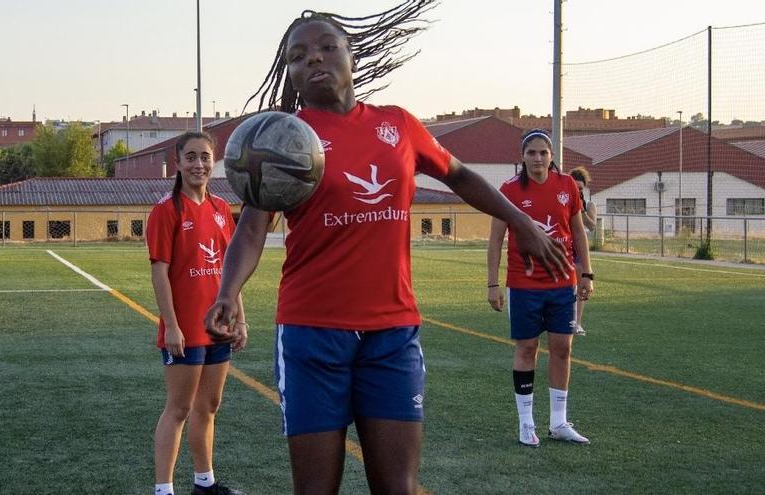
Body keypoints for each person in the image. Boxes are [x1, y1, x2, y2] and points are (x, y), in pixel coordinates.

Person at [205, 4, 569, 493]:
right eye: (298, 56)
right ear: (290, 72)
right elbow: (251, 228)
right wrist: (229, 290)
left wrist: (521, 222)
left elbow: (458, 175)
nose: (313, 60)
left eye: (327, 48)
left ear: (350, 55)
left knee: (398, 487)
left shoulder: (398, 125)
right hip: (313, 333)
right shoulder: (284, 138)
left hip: (392, 333)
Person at [146, 131, 247, 495]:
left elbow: (231, 271)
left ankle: (204, 483)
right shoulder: (166, 210)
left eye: (205, 157)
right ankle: (163, 489)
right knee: (179, 408)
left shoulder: (221, 209)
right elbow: (160, 271)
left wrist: (241, 319)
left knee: (209, 405)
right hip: (185, 330)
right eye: (191, 157)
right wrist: (171, 325)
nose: (198, 164)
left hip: (218, 328)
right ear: (177, 163)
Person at [486, 129, 594, 448]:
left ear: (551, 156)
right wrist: (493, 284)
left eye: (543, 152)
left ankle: (559, 422)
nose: (537, 158)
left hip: (563, 283)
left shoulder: (566, 187)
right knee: (527, 348)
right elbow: (495, 240)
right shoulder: (508, 191)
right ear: (522, 156)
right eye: (531, 152)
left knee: (563, 347)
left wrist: (586, 273)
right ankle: (526, 423)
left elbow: (578, 233)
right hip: (524, 284)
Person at [569, 167, 597, 336]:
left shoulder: (589, 204)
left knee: (581, 285)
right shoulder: (563, 199)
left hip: (579, 248)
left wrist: (581, 208)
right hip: (564, 247)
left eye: (580, 188)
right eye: (574, 186)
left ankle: (577, 323)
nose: (577, 190)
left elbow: (592, 225)